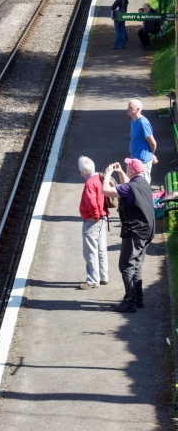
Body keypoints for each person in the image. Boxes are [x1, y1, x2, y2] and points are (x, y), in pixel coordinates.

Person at [102, 158, 155, 312]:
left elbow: (106, 191)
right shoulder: (142, 182)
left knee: (126, 266)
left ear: (132, 170)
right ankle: (138, 299)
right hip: (147, 231)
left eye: (127, 166)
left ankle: (129, 303)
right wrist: (119, 172)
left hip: (135, 232)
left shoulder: (130, 188)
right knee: (136, 265)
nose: (126, 167)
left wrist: (108, 174)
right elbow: (128, 185)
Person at [78, 156, 108, 289]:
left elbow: (91, 202)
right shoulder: (99, 178)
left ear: (83, 172)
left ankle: (92, 280)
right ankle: (103, 276)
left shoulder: (89, 183)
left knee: (90, 251)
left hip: (93, 221)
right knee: (101, 249)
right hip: (103, 219)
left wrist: (95, 216)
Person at [127, 99, 157, 183]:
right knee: (134, 183)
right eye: (128, 106)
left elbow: (153, 143)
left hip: (143, 160)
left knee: (143, 183)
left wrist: (151, 155)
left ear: (138, 109)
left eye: (130, 107)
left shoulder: (143, 123)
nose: (127, 109)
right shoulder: (133, 121)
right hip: (135, 158)